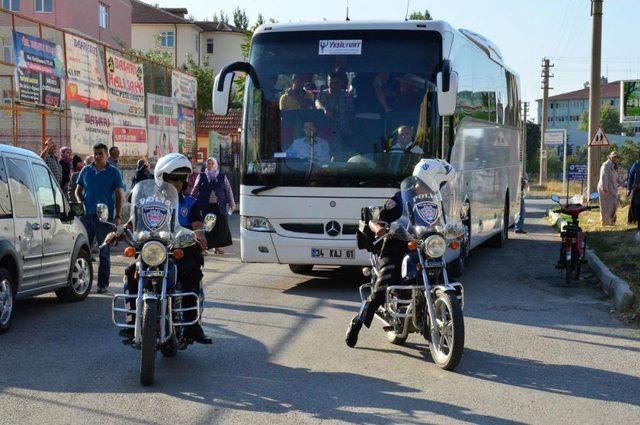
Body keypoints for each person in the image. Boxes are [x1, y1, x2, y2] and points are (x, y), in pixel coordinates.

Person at [346, 159, 455, 347]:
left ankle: (433, 318)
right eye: (438, 183)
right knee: (382, 287)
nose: (439, 187)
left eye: (441, 184)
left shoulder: (434, 200)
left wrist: (454, 229)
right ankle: (357, 322)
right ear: (425, 179)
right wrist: (378, 228)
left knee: (440, 275)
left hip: (425, 247)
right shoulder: (399, 199)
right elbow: (375, 218)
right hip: (397, 245)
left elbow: (441, 223)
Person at [113, 153, 211, 344]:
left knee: (191, 271)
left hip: (180, 250)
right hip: (153, 250)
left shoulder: (190, 203)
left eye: (182, 179)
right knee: (131, 272)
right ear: (161, 177)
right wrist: (118, 232)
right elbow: (133, 223)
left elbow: (198, 226)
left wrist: (199, 235)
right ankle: (132, 322)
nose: (179, 183)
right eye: (174, 179)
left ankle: (193, 326)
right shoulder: (146, 201)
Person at [75, 143, 125, 294]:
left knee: (104, 252)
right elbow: (78, 190)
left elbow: (118, 196)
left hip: (104, 218)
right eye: (95, 154)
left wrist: (117, 216)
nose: (97, 156)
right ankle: (83, 283)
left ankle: (102, 285)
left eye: (100, 154)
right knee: (83, 252)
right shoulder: (86, 170)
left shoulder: (114, 172)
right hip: (87, 216)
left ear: (106, 155)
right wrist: (79, 203)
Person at [191, 157, 236, 255]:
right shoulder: (201, 176)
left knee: (219, 227)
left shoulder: (222, 176)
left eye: (212, 163)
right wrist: (190, 201)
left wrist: (232, 203)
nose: (210, 165)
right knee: (206, 227)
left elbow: (228, 190)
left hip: (219, 206)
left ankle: (218, 248)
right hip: (205, 206)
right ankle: (203, 248)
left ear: (215, 165)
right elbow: (195, 190)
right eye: (208, 163)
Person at [315, 71, 353, 136]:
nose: (333, 85)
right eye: (331, 83)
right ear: (328, 83)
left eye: (336, 83)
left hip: (344, 131)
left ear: (340, 83)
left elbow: (351, 112)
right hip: (327, 131)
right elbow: (317, 103)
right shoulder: (322, 94)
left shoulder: (346, 96)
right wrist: (324, 109)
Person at [597, 151, 624, 226]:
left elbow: (618, 178)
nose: (615, 158)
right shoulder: (606, 165)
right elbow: (603, 176)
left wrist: (625, 184)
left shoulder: (615, 166)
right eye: (614, 157)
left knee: (614, 204)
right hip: (605, 188)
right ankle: (605, 222)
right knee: (605, 206)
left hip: (612, 188)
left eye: (616, 157)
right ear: (610, 157)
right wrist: (604, 188)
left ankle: (610, 220)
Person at [627, 150, 640, 230]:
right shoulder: (635, 165)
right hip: (636, 191)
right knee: (636, 206)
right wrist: (629, 188)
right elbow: (630, 178)